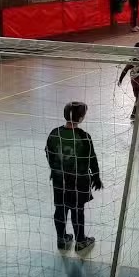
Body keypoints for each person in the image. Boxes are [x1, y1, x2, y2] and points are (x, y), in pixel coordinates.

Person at [45, 101, 102, 252]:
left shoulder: (54, 133)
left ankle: (61, 239)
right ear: (81, 118)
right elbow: (92, 159)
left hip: (59, 180)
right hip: (79, 181)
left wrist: (55, 169)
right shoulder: (84, 136)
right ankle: (80, 241)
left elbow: (48, 153)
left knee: (60, 208)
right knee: (77, 209)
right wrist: (96, 177)